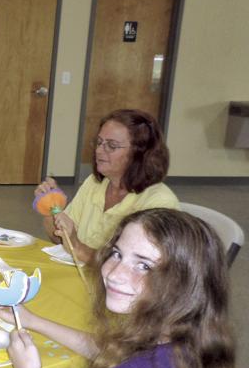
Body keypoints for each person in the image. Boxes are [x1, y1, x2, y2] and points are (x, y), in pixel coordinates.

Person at [0, 208, 243, 368]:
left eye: (144, 265)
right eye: (117, 254)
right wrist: (33, 321)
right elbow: (111, 351)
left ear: (182, 283)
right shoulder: (196, 340)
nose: (114, 273)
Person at [35, 109, 179, 263]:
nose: (98, 151)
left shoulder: (159, 202)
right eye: (99, 142)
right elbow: (61, 241)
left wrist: (77, 245)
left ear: (140, 153)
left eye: (111, 145)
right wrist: (51, 208)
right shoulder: (94, 183)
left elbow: (132, 269)